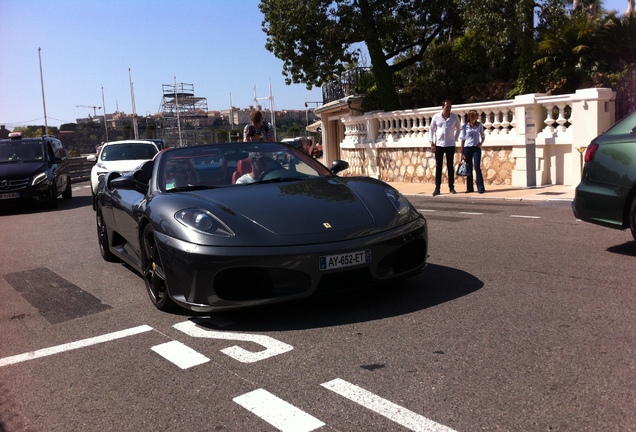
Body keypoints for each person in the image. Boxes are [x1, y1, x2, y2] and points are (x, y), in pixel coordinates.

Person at [429, 100, 461, 196]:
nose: (448, 109)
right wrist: (432, 143)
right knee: (439, 167)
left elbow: (459, 128)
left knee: (450, 166)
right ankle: (437, 188)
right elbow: (431, 130)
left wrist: (454, 139)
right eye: (447, 107)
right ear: (442, 107)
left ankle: (451, 187)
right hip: (439, 144)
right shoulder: (436, 117)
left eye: (450, 107)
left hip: (450, 145)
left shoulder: (454, 117)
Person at [460, 110, 486, 194]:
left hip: (476, 148)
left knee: (477, 167)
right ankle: (469, 187)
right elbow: (462, 140)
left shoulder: (479, 125)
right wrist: (462, 152)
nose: (477, 117)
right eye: (476, 116)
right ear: (472, 117)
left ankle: (481, 187)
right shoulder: (465, 127)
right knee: (469, 168)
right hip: (467, 148)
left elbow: (483, 135)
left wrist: (481, 143)